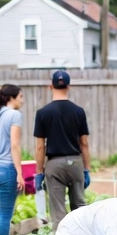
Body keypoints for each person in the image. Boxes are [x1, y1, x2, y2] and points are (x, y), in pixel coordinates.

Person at [33, 70, 90, 226]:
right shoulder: (78, 112)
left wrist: (39, 172)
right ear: (68, 87)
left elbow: (40, 147)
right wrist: (86, 169)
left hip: (54, 165)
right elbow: (84, 143)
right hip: (75, 163)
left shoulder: (43, 113)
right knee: (79, 208)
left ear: (50, 86)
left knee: (58, 213)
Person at [0, 84, 25, 235]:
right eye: (21, 97)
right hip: (6, 170)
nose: (22, 100)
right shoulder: (14, 115)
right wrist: (20, 173)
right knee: (5, 216)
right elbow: (15, 145)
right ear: (11, 98)